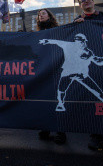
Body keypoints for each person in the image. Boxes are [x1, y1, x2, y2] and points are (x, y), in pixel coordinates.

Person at [74, 0, 103, 151]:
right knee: (94, 99)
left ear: (93, 2)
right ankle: (96, 136)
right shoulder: (78, 20)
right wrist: (76, 25)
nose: (85, 2)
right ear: (80, 6)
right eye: (82, 1)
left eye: (87, 0)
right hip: (90, 65)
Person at [35, 9, 67, 145]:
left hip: (56, 68)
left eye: (43, 13)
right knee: (44, 99)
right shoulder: (37, 33)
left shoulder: (59, 30)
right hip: (43, 69)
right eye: (39, 15)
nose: (40, 15)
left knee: (58, 99)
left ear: (49, 16)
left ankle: (60, 131)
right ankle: (46, 127)